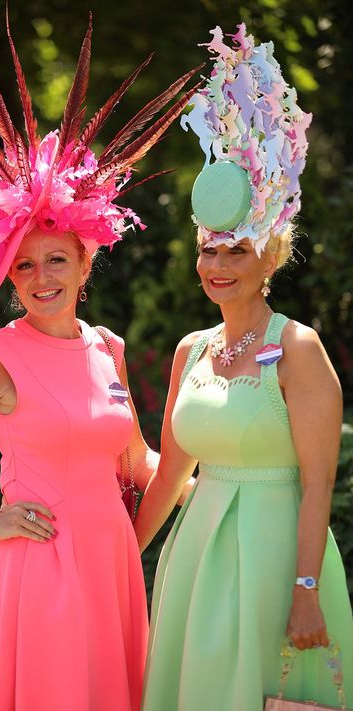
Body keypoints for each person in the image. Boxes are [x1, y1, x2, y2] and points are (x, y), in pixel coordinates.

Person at [0, 11, 202, 710]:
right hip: (40, 566)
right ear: (9, 275)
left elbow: (135, 460)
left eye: (55, 259)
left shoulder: (107, 346)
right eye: (23, 265)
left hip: (111, 563)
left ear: (85, 261)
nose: (40, 276)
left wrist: (206, 471)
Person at [136, 25, 353, 711]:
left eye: (234, 251)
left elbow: (318, 483)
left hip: (275, 565)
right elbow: (172, 473)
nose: (217, 266)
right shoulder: (191, 350)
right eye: (207, 251)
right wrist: (117, 555)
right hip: (196, 561)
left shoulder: (300, 348)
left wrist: (305, 593)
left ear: (267, 254)